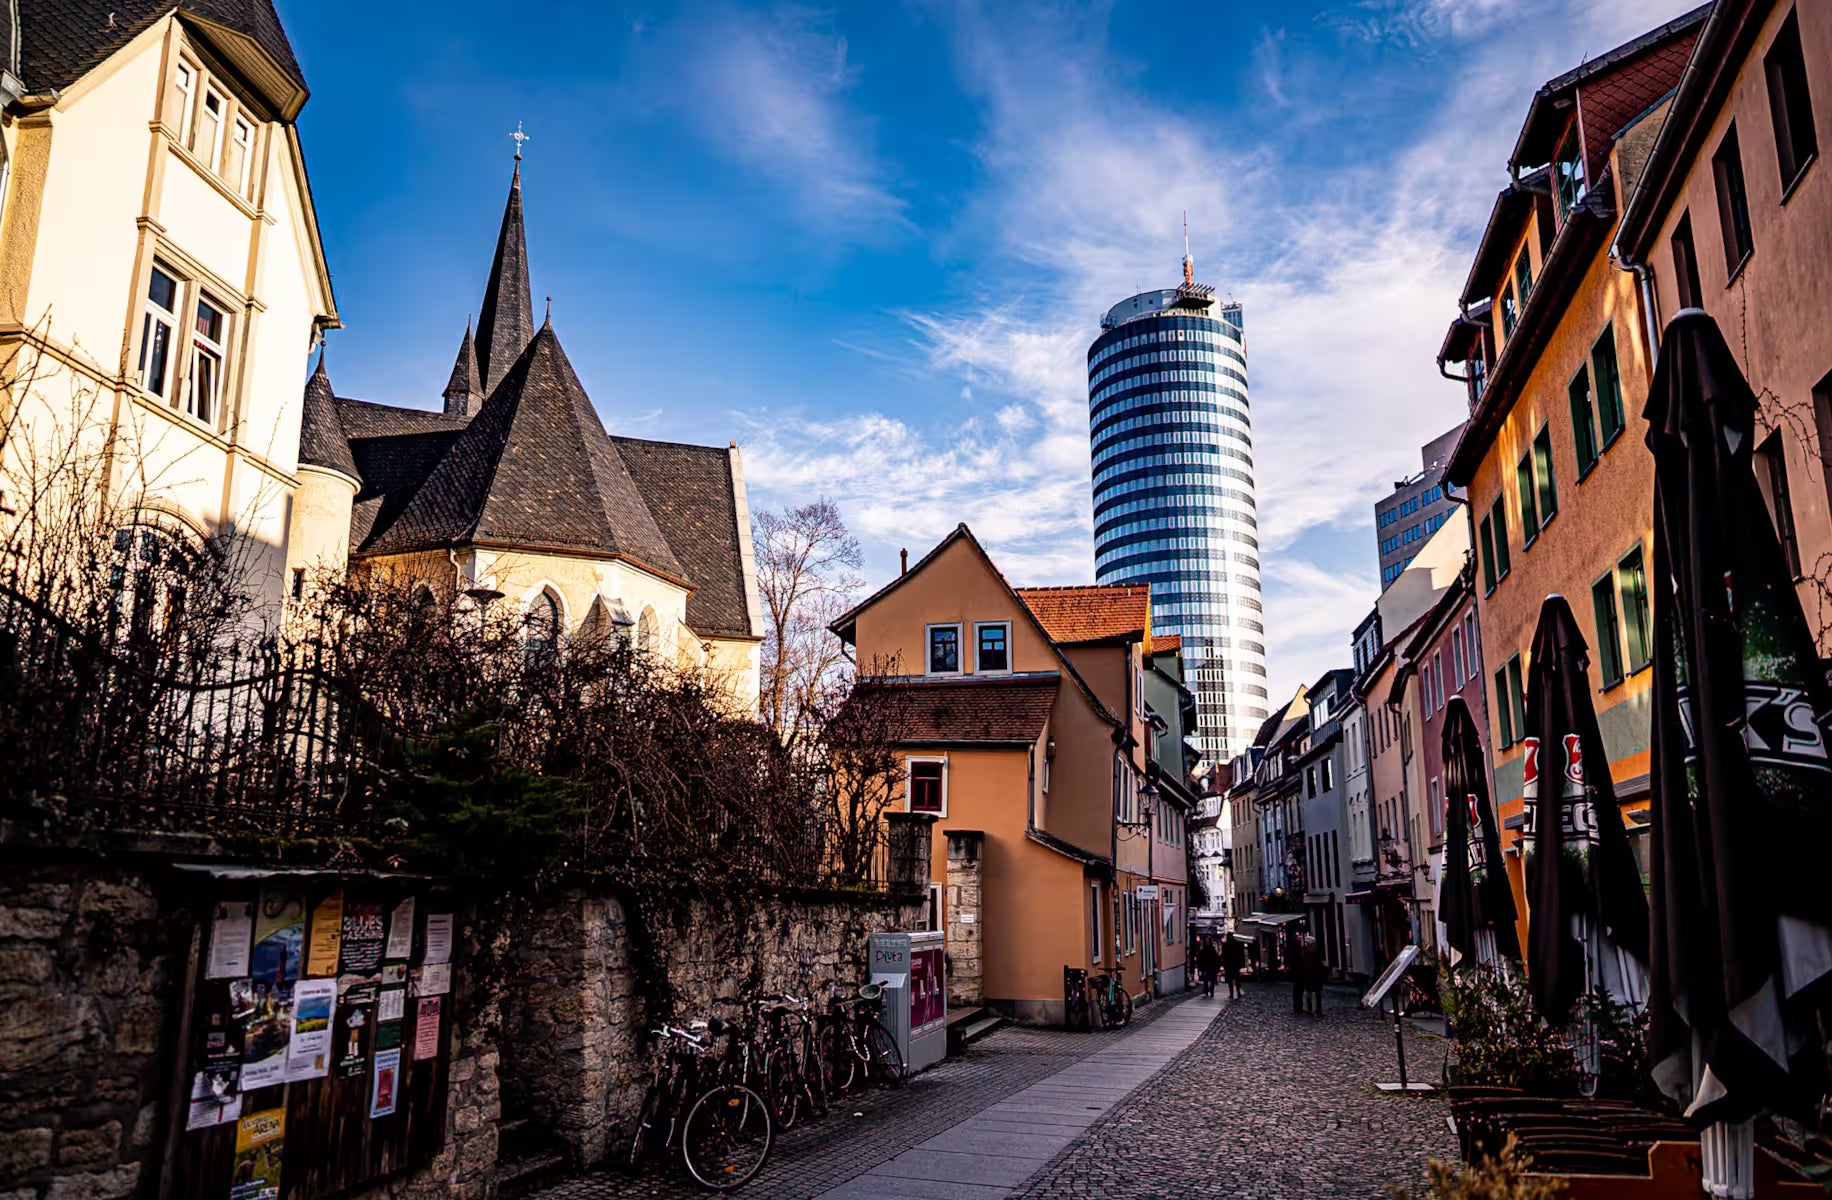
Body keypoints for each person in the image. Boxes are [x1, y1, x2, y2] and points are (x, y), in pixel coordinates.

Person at [1302, 933, 1326, 1017]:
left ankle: (1315, 1009)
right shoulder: (1309, 953)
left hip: (1313, 975)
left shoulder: (1308, 953)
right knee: (1312, 992)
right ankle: (1312, 1009)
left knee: (1316, 992)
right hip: (1311, 975)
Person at [1286, 926, 1306, 1014]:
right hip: (1299, 971)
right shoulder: (1296, 947)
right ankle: (1299, 1007)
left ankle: (1297, 1007)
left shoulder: (1290, 946)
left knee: (1297, 991)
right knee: (1299, 990)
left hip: (1296, 971)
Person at [1221, 935, 1245, 999]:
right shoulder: (1237, 944)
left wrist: (1223, 964)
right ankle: (1238, 992)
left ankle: (1231, 994)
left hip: (1229, 965)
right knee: (1237, 979)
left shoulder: (1226, 945)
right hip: (1235, 965)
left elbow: (1224, 956)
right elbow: (1240, 955)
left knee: (1230, 980)